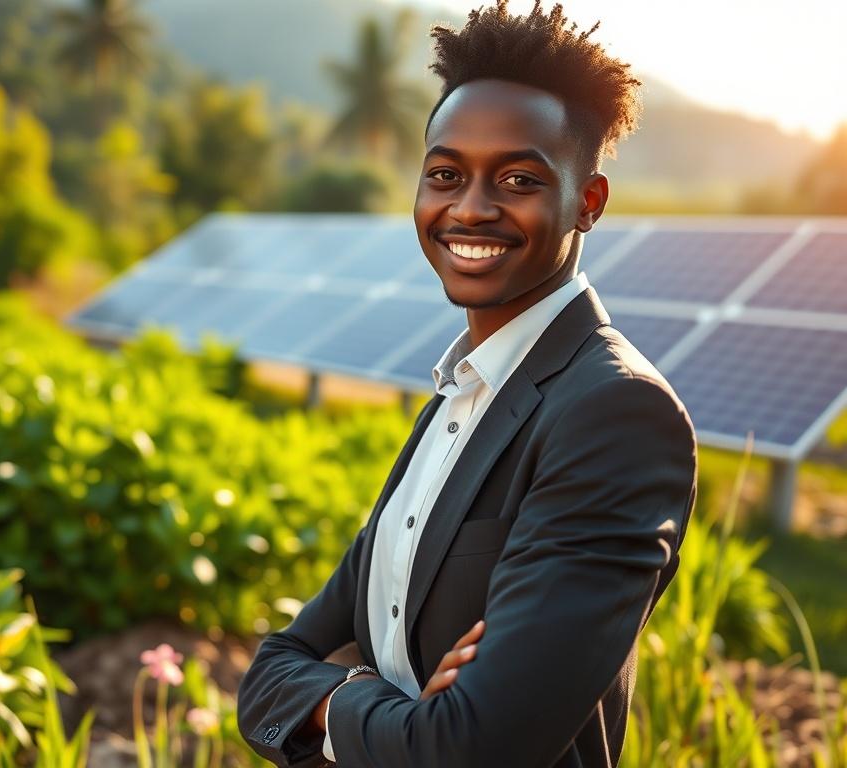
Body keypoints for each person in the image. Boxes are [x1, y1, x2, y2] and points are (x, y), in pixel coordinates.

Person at [237, 2, 698, 766]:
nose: (471, 208)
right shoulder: (457, 399)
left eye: (518, 178)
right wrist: (375, 701)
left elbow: (475, 749)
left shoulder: (615, 414)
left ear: (588, 202)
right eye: (445, 175)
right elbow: (268, 675)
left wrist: (332, 698)